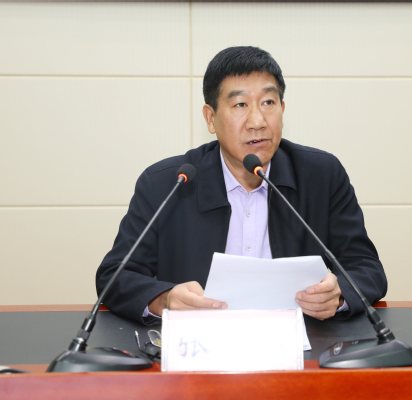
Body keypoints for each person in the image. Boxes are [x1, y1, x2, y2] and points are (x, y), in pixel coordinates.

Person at [96, 46, 387, 325]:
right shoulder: (167, 183)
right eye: (240, 105)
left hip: (300, 342)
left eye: (268, 102)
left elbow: (366, 268)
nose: (257, 121)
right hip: (199, 344)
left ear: (282, 109)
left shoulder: (321, 175)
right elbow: (115, 276)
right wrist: (165, 299)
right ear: (211, 118)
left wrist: (338, 295)